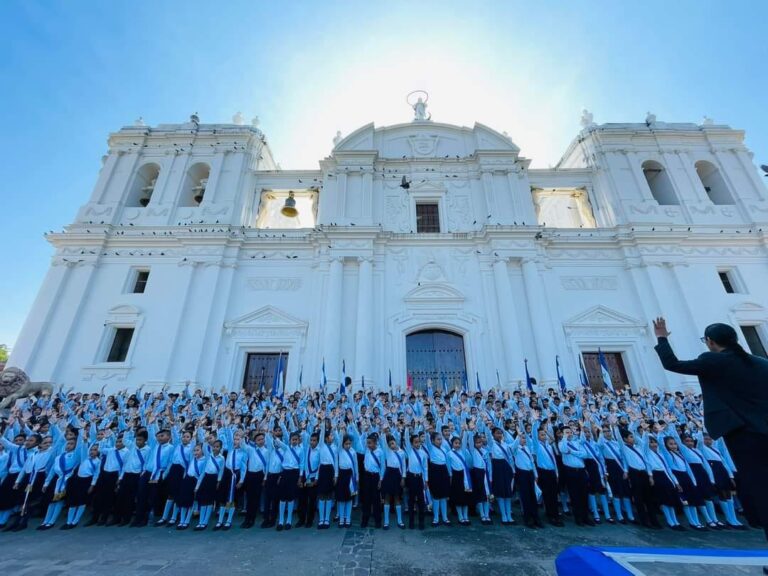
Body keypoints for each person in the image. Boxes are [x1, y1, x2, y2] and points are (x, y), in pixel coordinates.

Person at [654, 318, 768, 542]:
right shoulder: (761, 364)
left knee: (760, 488)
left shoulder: (712, 360)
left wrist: (662, 338)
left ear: (710, 341)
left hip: (743, 433)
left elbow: (673, 364)